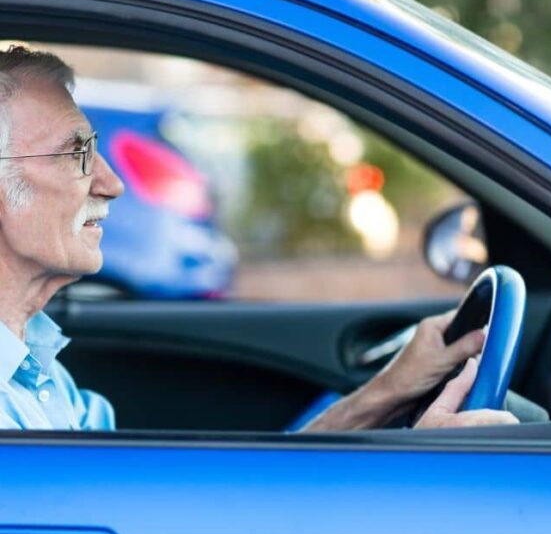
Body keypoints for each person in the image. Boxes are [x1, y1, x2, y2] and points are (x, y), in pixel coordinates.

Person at [0, 46, 518, 431]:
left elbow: (185, 519)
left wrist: (386, 393)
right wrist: (417, 471)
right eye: (77, 155)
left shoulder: (38, 371)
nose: (112, 185)